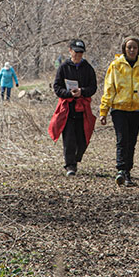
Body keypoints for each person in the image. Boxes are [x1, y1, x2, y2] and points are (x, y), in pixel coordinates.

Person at [99, 36, 139, 187]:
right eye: (129, 47)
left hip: (137, 110)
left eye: (134, 47)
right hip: (119, 109)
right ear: (124, 49)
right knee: (122, 140)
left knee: (132, 141)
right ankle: (121, 170)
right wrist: (104, 111)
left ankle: (128, 172)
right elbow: (109, 89)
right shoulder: (116, 65)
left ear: (138, 49)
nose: (132, 50)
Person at [47, 39, 97, 176]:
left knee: (82, 138)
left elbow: (93, 87)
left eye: (81, 53)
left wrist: (82, 91)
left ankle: (76, 157)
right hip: (67, 108)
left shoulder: (88, 68)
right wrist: (69, 93)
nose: (78, 55)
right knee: (69, 138)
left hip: (83, 108)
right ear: (70, 50)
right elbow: (57, 87)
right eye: (76, 52)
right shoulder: (63, 67)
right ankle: (70, 166)